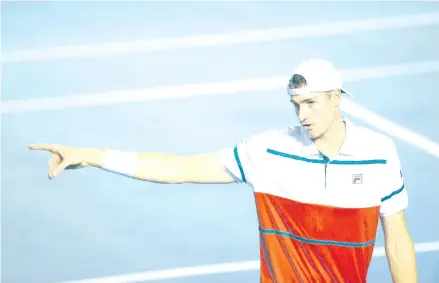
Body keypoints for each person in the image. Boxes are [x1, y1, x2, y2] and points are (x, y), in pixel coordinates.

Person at [29, 58, 418, 282]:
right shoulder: (268, 151)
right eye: (295, 104)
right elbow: (179, 169)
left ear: (337, 98)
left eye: (312, 103)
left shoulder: (380, 155)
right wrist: (94, 155)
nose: (302, 115)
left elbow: (397, 240)